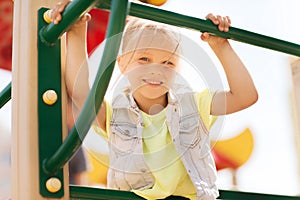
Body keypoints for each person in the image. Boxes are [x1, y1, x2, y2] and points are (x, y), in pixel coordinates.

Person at [50, 1, 258, 199]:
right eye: (144, 59)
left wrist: (221, 46)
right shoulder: (115, 114)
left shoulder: (194, 105)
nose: (156, 70)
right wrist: (77, 31)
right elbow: (80, 93)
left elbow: (245, 96)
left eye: (168, 62)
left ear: (178, 69)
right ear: (122, 64)